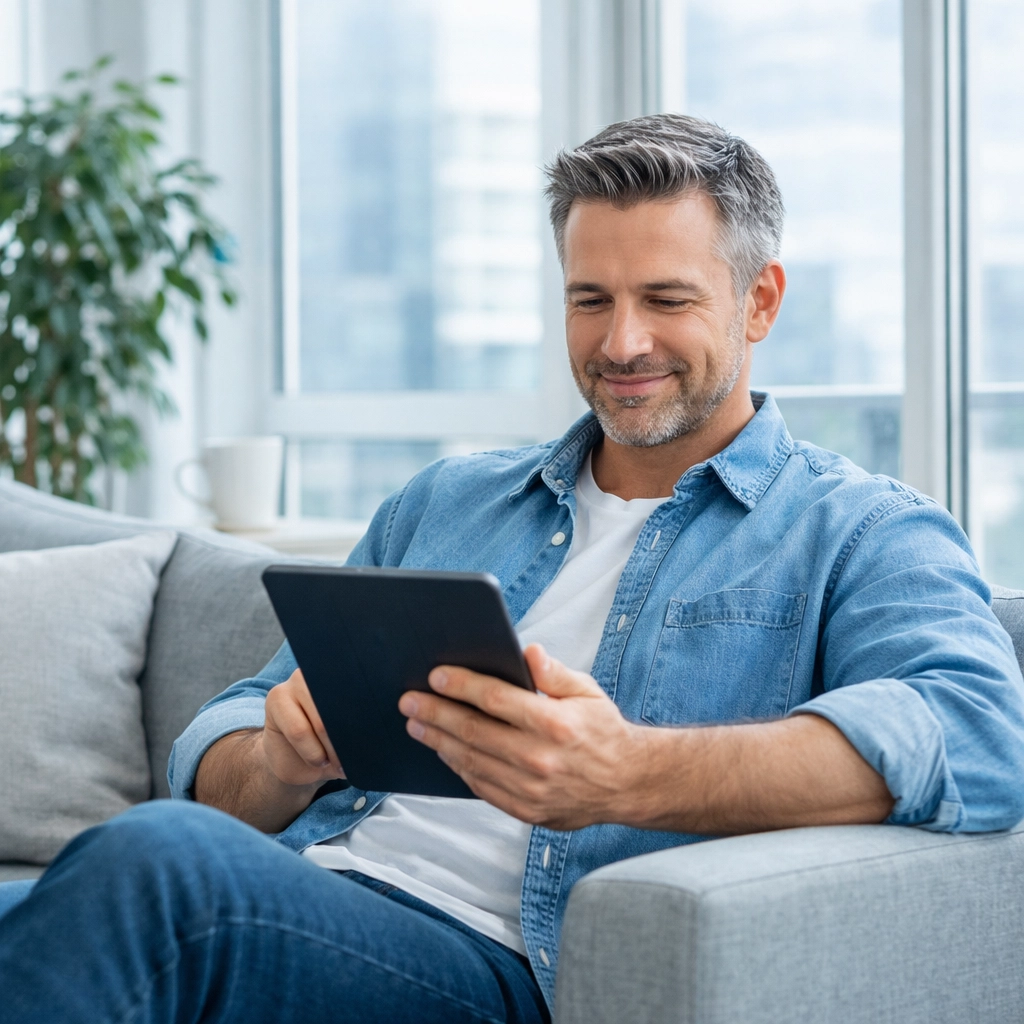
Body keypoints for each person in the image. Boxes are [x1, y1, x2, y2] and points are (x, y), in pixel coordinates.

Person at [2, 113, 1023, 1024]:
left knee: (154, 864)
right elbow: (223, 753)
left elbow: (979, 736)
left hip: (490, 966)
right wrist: (277, 759)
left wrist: (626, 772)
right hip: (298, 892)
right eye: (590, 299)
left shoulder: (860, 528)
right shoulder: (446, 502)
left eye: (666, 298)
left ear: (759, 301)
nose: (621, 342)